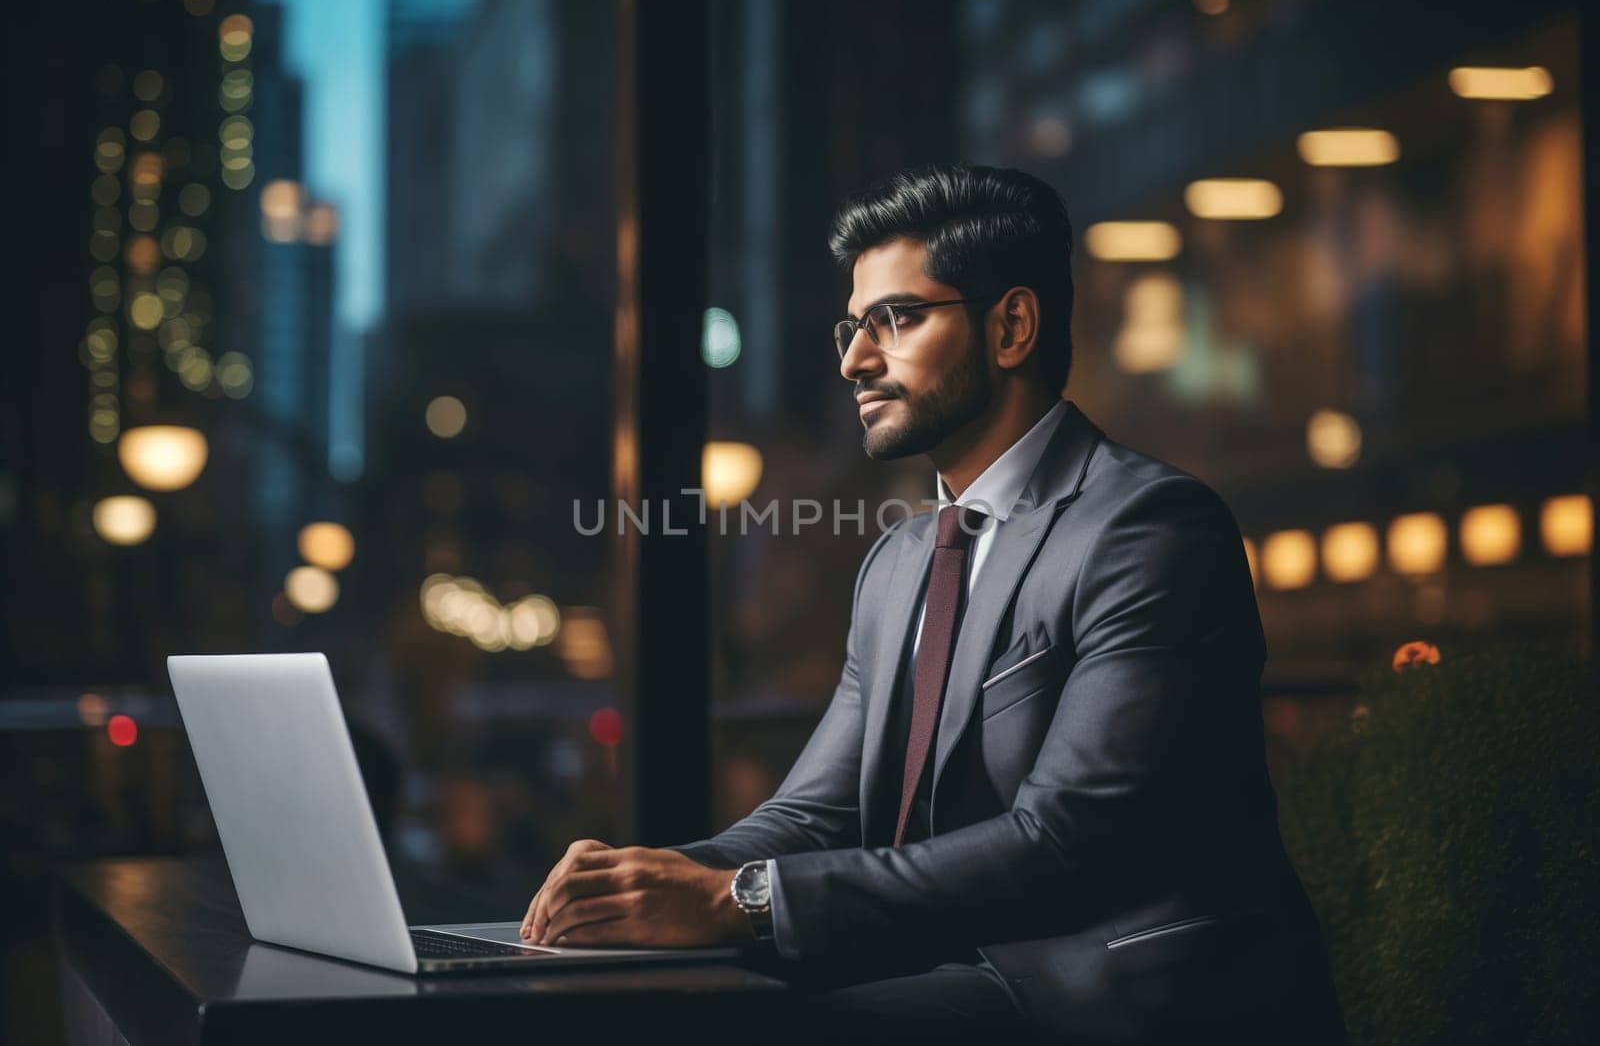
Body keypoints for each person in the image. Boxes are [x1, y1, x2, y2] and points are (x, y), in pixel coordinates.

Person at [519, 163, 1347, 1044]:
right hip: (945, 975)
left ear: (1013, 326)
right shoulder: (899, 563)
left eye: (897, 319)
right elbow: (815, 813)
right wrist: (643, 877)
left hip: (1123, 1001)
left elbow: (1061, 841)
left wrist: (737, 899)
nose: (853, 359)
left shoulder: (1150, 529)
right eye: (852, 325)